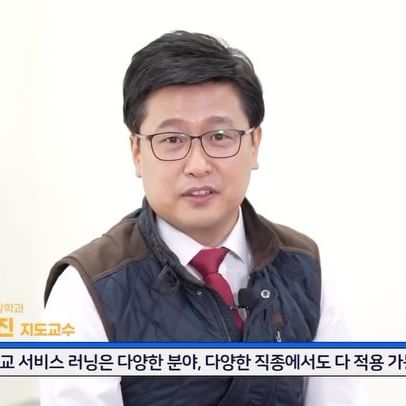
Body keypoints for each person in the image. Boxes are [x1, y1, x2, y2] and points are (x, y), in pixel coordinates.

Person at [41, 30, 365, 405]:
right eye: (172, 140)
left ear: (254, 144)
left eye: (220, 136)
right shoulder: (88, 288)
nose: (198, 165)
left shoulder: (306, 267)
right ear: (137, 152)